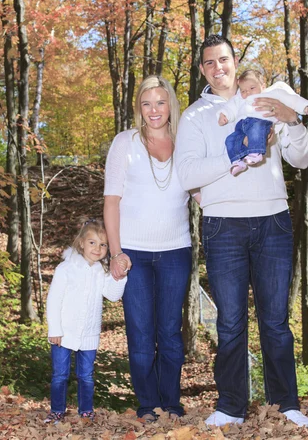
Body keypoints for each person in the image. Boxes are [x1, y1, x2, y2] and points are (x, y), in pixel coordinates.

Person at [175, 35, 308, 428]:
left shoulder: (265, 100)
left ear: (235, 62)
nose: (218, 68)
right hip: (222, 226)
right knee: (231, 322)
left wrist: (292, 120)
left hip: (273, 221)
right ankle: (231, 407)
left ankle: (285, 404)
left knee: (275, 320)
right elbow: (187, 174)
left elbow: (300, 159)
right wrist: (235, 152)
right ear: (202, 70)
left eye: (224, 60)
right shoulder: (195, 116)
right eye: (209, 63)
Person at [103, 75, 194, 422]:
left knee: (170, 333)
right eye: (146, 103)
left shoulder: (186, 144)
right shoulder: (124, 143)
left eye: (160, 102)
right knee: (140, 333)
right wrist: (116, 252)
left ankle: (170, 404)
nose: (154, 110)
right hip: (133, 255)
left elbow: (201, 191)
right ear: (138, 108)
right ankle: (147, 406)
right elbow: (112, 201)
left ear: (170, 104)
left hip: (176, 252)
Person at [44, 218, 127, 424]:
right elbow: (53, 300)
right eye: (92, 243)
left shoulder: (102, 271)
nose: (97, 249)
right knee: (60, 376)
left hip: (89, 334)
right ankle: (57, 411)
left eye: (103, 245)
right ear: (81, 243)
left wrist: (121, 275)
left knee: (86, 376)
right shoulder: (66, 269)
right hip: (63, 333)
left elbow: (113, 295)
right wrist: (54, 329)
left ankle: (86, 411)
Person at [218, 69, 308, 176]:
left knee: (256, 130)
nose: (247, 92)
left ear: (262, 86)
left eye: (252, 88)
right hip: (242, 125)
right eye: (243, 91)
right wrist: (224, 114)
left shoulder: (273, 94)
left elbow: (291, 99)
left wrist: (303, 106)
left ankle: (256, 153)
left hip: (259, 121)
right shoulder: (240, 99)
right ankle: (236, 161)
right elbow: (231, 106)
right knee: (230, 139)